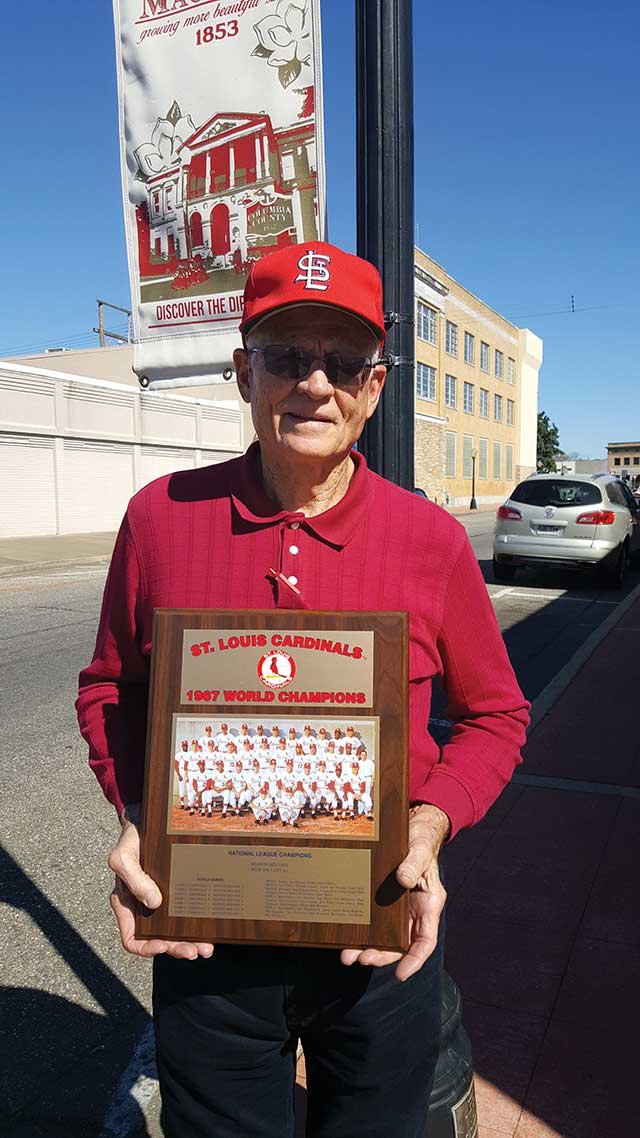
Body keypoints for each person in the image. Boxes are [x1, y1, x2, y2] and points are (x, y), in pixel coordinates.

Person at [76, 240, 529, 1138]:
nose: (314, 383)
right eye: (287, 355)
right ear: (246, 372)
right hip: (208, 939)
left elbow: (496, 717)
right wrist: (137, 812)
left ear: (375, 383)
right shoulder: (162, 519)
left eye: (342, 360)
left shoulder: (430, 540)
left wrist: (429, 825)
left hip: (374, 934)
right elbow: (111, 689)